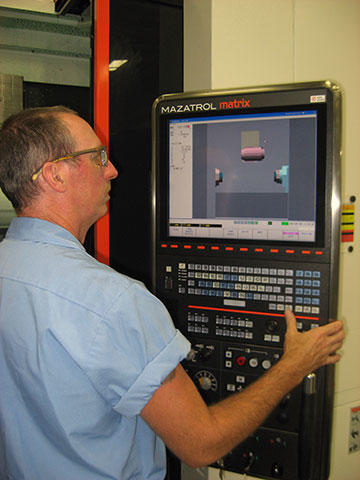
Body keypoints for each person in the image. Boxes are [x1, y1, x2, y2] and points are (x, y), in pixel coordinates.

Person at [0, 106, 345, 480]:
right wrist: (292, 366)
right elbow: (201, 443)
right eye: (97, 156)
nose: (112, 169)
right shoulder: (113, 302)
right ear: (55, 175)